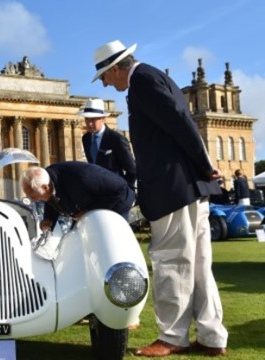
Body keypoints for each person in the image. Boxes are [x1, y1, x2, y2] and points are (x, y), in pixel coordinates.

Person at [93, 39, 227, 357]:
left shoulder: (142, 80)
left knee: (171, 261)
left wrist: (206, 165)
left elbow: (180, 123)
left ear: (114, 68)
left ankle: (172, 337)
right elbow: (180, 122)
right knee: (198, 265)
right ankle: (212, 337)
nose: (107, 85)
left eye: (105, 77)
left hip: (172, 188)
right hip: (188, 187)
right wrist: (203, 168)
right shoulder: (155, 77)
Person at [20, 163, 135, 232]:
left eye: (33, 196)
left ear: (45, 187)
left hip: (117, 203)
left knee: (108, 242)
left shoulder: (82, 178)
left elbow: (120, 190)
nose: (33, 200)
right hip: (85, 211)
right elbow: (51, 198)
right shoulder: (48, 180)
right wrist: (48, 219)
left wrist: (89, 212)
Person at [79, 98, 136, 190]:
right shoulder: (86, 138)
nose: (89, 123)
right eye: (87, 119)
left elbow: (132, 170)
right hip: (96, 191)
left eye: (93, 119)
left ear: (103, 119)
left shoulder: (117, 139)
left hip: (116, 191)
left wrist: (125, 191)